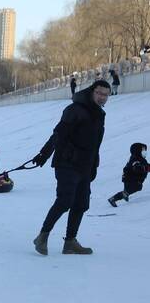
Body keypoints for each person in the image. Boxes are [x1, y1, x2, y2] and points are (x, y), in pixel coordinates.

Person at [31, 80, 110, 256]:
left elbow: (94, 144)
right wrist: (44, 154)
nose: (102, 97)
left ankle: (70, 242)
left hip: (85, 165)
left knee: (81, 204)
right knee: (65, 201)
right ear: (92, 91)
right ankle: (42, 236)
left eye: (105, 94)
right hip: (67, 163)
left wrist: (94, 165)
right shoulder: (75, 110)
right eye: (99, 93)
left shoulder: (99, 114)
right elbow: (59, 133)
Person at [108, 143, 148, 207]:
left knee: (131, 189)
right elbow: (137, 167)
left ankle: (125, 195)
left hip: (130, 178)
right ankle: (113, 199)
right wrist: (145, 168)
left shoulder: (140, 159)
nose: (145, 152)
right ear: (137, 151)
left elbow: (146, 165)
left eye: (145, 151)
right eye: (143, 151)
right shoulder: (135, 159)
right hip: (131, 179)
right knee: (135, 188)